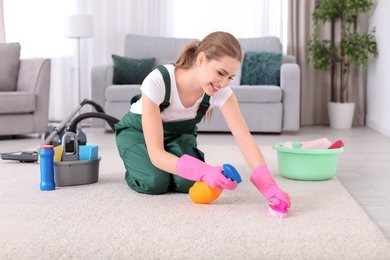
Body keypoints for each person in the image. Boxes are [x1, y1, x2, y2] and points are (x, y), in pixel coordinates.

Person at [115, 31, 291, 208]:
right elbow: (156, 154)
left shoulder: (221, 92)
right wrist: (204, 171)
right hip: (138, 134)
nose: (224, 83)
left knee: (187, 183)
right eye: (220, 73)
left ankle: (168, 170)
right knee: (154, 181)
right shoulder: (159, 80)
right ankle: (134, 165)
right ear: (201, 60)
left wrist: (269, 187)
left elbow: (245, 139)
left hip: (178, 136)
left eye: (230, 77)